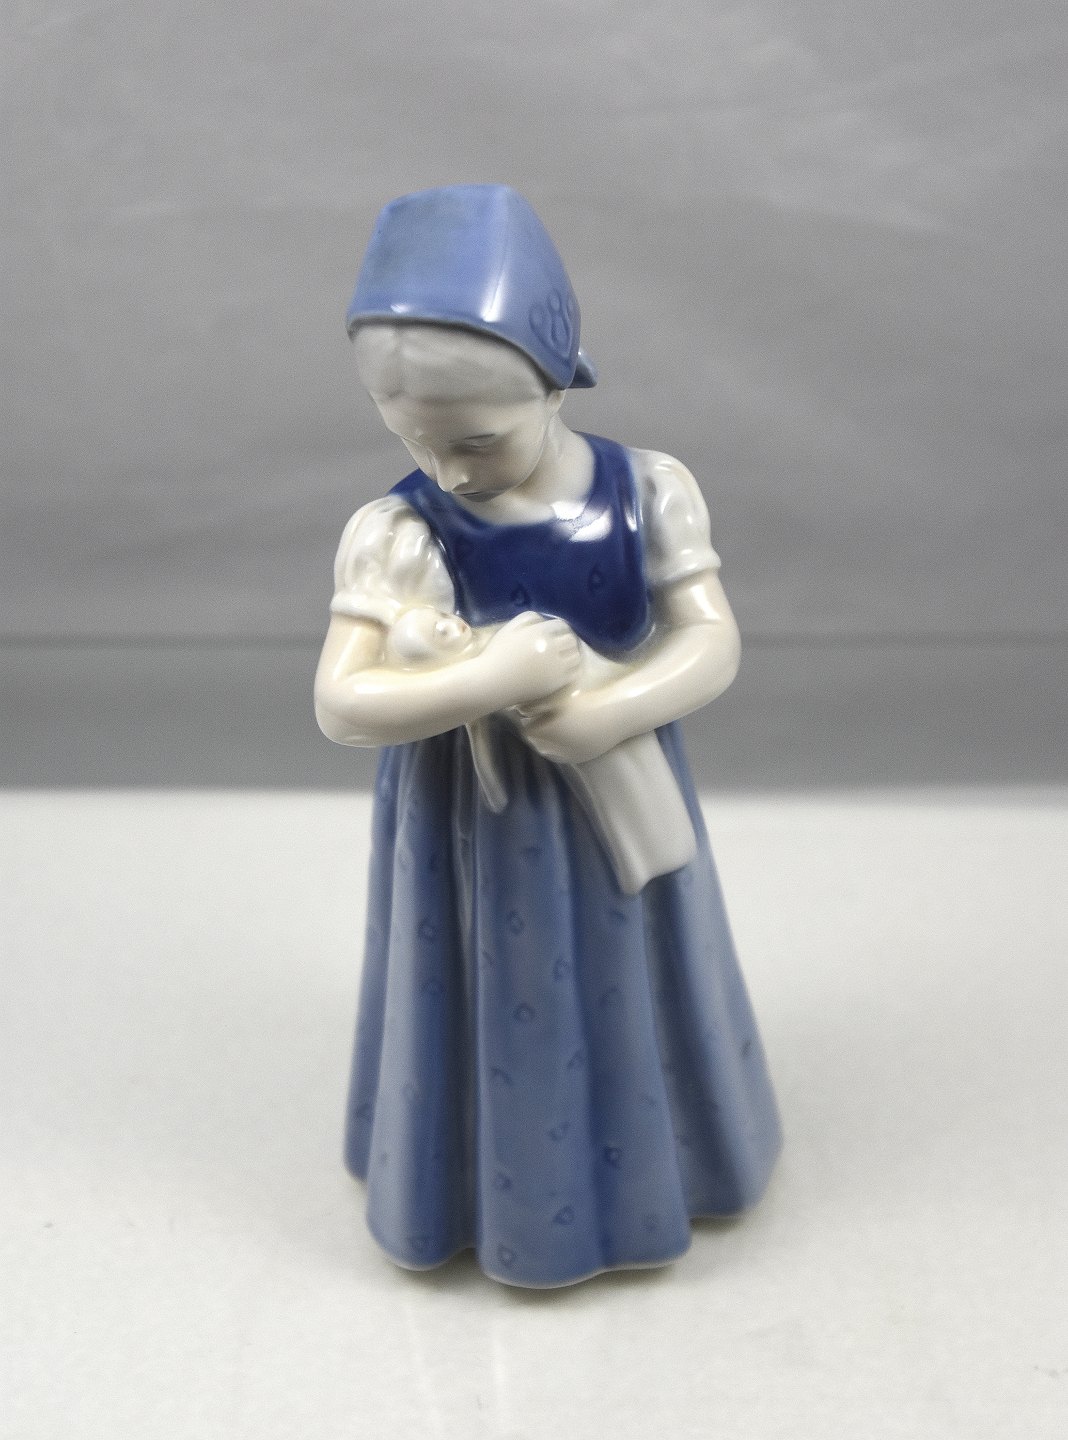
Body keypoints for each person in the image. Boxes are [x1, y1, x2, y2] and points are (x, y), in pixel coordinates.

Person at [314, 185, 781, 1287]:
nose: (446, 470)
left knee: (638, 983)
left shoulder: (649, 492)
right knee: (486, 987)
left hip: (617, 800)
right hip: (468, 827)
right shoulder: (399, 532)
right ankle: (472, 1187)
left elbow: (710, 640)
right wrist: (487, 676)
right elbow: (341, 702)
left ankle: (665, 1170)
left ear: (555, 380)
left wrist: (608, 709)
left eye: (477, 439)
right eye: (409, 435)